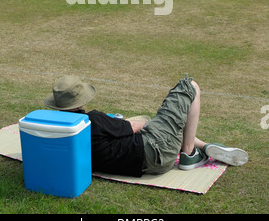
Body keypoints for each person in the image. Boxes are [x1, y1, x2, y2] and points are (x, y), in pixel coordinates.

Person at [44, 74, 248, 177]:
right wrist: (125, 122)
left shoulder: (54, 133)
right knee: (189, 86)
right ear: (80, 100)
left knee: (160, 126)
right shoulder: (94, 120)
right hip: (157, 149)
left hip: (147, 166)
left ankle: (202, 146)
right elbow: (138, 125)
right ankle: (188, 153)